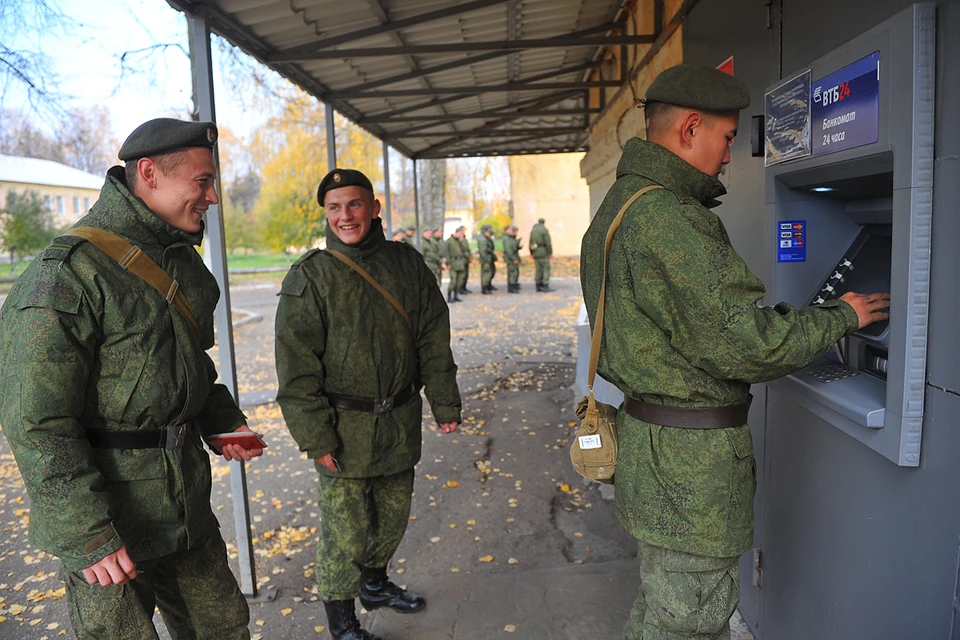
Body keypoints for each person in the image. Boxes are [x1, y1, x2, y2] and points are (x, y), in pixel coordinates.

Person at [579, 64, 890, 640]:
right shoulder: (670, 219)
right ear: (690, 127)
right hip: (691, 470)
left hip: (653, 451)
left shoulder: (622, 205)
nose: (729, 157)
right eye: (726, 138)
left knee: (663, 609)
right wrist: (846, 315)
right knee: (690, 623)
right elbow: (749, 346)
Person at [0, 118, 264, 639]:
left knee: (224, 627)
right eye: (202, 182)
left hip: (184, 504)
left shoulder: (183, 264)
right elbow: (36, 421)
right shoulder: (67, 274)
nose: (212, 196)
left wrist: (222, 420)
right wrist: (87, 533)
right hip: (110, 521)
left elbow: (189, 366)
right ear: (148, 173)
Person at [275, 168, 462, 640]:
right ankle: (342, 625)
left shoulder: (406, 264)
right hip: (343, 430)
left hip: (399, 422)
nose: (345, 216)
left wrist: (444, 403)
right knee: (344, 535)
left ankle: (375, 585)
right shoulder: (311, 276)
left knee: (393, 518)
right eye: (334, 208)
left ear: (374, 208)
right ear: (326, 214)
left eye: (354, 204)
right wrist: (315, 437)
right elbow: (296, 369)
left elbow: (432, 337)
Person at [442, 226, 468, 304]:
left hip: (460, 262)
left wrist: (461, 241)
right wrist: (448, 263)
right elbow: (446, 253)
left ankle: (456, 295)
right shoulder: (449, 241)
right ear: (457, 232)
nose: (462, 235)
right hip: (453, 263)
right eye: (461, 233)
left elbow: (464, 250)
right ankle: (449, 296)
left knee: (459, 281)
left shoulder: (460, 241)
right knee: (453, 281)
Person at [529, 217, 553, 292]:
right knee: (546, 268)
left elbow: (531, 242)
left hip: (536, 251)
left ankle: (538, 285)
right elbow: (548, 242)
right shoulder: (544, 230)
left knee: (538, 269)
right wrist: (550, 252)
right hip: (543, 251)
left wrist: (532, 252)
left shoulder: (533, 230)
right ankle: (545, 285)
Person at [477, 223, 498, 294]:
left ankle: (488, 285)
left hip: (489, 258)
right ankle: (484, 288)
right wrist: (486, 261)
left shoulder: (486, 238)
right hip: (486, 259)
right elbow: (483, 251)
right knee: (486, 273)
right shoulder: (483, 239)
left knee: (491, 272)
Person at [502, 225, 523, 293]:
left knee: (515, 272)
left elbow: (513, 247)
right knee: (512, 273)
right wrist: (514, 259)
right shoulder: (507, 239)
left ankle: (514, 285)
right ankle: (511, 287)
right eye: (511, 230)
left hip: (513, 257)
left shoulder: (510, 238)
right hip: (511, 259)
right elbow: (509, 250)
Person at [458, 225, 473, 294]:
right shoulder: (459, 240)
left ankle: (464, 287)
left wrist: (470, 256)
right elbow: (462, 250)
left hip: (466, 259)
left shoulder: (464, 239)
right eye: (463, 230)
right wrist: (467, 255)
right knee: (462, 275)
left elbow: (467, 249)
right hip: (462, 260)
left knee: (466, 274)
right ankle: (460, 288)